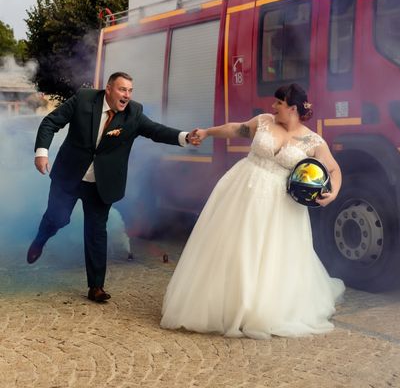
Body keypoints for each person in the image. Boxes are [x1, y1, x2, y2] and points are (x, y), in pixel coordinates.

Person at [161, 83, 345, 338]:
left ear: (292, 108)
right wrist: (207, 132)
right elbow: (236, 128)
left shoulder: (313, 141)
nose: (273, 107)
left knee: (270, 253)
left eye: (278, 104)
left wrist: (332, 193)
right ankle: (227, 304)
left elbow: (334, 170)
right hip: (244, 188)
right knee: (235, 246)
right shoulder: (264, 121)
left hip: (280, 204)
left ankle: (260, 309)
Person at [29, 72, 200, 303]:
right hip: (69, 175)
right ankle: (40, 239)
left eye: (130, 90)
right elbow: (51, 122)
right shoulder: (83, 99)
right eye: (122, 90)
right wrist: (42, 153)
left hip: (102, 183)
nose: (127, 95)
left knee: (96, 231)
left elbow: (156, 131)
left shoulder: (134, 113)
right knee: (57, 218)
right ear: (109, 89)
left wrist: (185, 137)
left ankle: (96, 286)